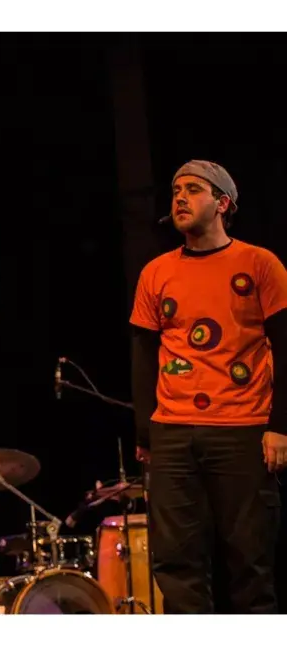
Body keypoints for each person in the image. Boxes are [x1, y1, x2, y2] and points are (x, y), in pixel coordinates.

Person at [130, 159, 287, 614]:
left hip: (243, 428)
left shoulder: (259, 264)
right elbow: (142, 356)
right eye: (176, 189)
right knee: (177, 563)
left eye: (193, 190)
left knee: (250, 563)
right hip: (174, 432)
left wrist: (280, 426)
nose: (179, 197)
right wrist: (146, 432)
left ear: (222, 203)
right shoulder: (156, 272)